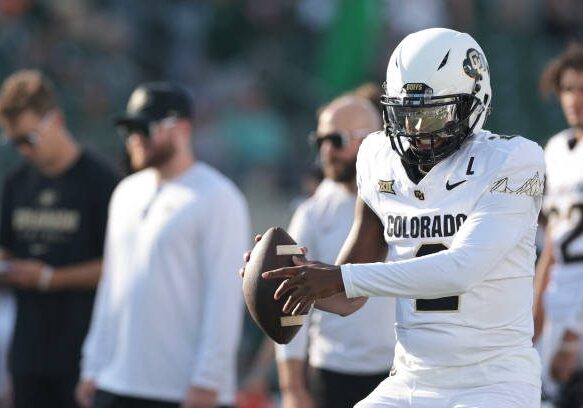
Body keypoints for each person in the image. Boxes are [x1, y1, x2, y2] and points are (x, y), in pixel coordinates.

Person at [255, 28, 544, 407]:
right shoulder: (378, 159)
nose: (418, 132)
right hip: (411, 378)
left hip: (492, 381)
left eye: (433, 114)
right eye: (406, 116)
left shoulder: (513, 161)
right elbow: (346, 297)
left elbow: (462, 268)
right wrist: (291, 279)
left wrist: (338, 277)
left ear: (474, 102)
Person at [76, 82, 251, 408]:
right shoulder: (125, 192)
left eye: (144, 128)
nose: (135, 139)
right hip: (115, 382)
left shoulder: (219, 197)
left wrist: (207, 382)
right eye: (129, 130)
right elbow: (111, 287)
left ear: (182, 128)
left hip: (180, 391)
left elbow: (225, 298)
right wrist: (92, 364)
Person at [0, 69, 119, 408]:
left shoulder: (101, 181)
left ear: (56, 120)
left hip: (84, 356)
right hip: (27, 354)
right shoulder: (16, 183)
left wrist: (52, 278)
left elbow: (119, 267)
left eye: (29, 138)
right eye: (15, 142)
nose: (23, 150)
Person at [275, 95, 396, 408]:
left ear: (372, 141)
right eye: (320, 140)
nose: (327, 150)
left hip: (400, 371)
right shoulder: (312, 212)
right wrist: (292, 389)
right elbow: (290, 304)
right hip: (331, 373)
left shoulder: (405, 199)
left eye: (337, 140)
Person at [534, 42, 583, 408]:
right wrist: (536, 306)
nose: (574, 99)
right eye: (568, 88)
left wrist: (575, 334)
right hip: (558, 297)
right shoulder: (554, 149)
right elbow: (552, 240)